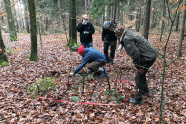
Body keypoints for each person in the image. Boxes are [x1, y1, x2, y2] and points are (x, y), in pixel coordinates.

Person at [115, 26, 158, 104]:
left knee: (138, 76)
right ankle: (145, 90)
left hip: (148, 57)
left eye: (118, 36)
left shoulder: (126, 39)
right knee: (142, 74)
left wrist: (139, 67)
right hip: (151, 54)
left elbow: (135, 54)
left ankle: (138, 99)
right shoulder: (128, 33)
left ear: (120, 34)